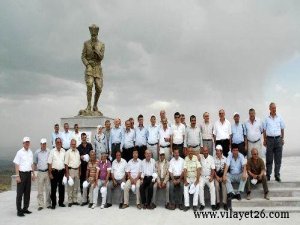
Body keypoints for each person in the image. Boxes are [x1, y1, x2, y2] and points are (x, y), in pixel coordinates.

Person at [81, 24, 105, 112]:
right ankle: (88, 105)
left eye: (95, 35)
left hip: (98, 68)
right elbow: (83, 56)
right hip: (90, 67)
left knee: (99, 87)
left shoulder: (101, 44)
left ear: (97, 35)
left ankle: (95, 105)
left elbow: (101, 57)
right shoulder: (86, 43)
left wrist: (96, 50)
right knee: (89, 85)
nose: (93, 37)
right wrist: (87, 64)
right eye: (92, 35)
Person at [13, 137, 36, 217]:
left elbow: (32, 164)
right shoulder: (19, 152)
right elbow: (16, 164)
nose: (27, 143)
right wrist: (17, 176)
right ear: (23, 143)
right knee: (19, 193)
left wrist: (33, 174)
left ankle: (25, 208)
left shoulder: (30, 152)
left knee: (27, 193)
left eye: (28, 142)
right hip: (21, 174)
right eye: (25, 142)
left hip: (28, 174)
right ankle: (19, 211)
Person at [263, 102, 285, 182]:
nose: (274, 109)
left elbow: (282, 128)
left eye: (275, 108)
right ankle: (268, 175)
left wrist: (282, 138)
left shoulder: (280, 117)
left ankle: (277, 175)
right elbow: (264, 130)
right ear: (269, 109)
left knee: (278, 159)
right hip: (269, 140)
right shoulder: (266, 119)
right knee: (269, 158)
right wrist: (264, 140)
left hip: (278, 139)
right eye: (272, 108)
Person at [223, 144, 247, 209]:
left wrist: (244, 173)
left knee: (245, 174)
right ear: (232, 151)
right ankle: (232, 193)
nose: (235, 152)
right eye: (234, 150)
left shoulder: (241, 156)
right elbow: (227, 166)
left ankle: (238, 193)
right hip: (232, 175)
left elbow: (244, 166)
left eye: (236, 150)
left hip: (239, 175)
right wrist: (224, 175)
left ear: (238, 150)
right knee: (226, 176)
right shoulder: (229, 156)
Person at [48, 137, 66, 209]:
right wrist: (50, 173)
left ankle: (61, 202)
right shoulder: (52, 151)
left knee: (62, 188)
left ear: (61, 143)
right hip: (54, 172)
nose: (59, 143)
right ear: (55, 143)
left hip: (62, 172)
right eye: (57, 142)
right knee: (53, 189)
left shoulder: (64, 151)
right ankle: (53, 203)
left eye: (60, 142)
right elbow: (49, 163)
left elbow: (65, 162)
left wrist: (65, 173)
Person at [33, 138, 51, 211]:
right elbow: (35, 163)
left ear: (46, 144)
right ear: (40, 144)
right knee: (40, 189)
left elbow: (50, 162)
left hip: (47, 172)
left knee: (48, 189)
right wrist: (34, 173)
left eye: (45, 144)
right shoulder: (37, 152)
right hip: (40, 172)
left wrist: (50, 172)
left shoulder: (49, 151)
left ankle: (48, 203)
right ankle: (40, 204)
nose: (43, 145)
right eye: (42, 144)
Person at [198, 146, 216, 211]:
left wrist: (211, 176)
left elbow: (213, 169)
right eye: (204, 151)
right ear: (202, 151)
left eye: (206, 151)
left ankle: (213, 204)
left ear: (208, 151)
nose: (205, 152)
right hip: (202, 177)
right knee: (200, 187)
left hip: (209, 176)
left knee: (212, 187)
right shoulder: (200, 156)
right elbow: (195, 154)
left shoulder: (211, 158)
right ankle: (202, 204)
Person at [64, 139, 81, 207]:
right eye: (72, 144)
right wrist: (67, 173)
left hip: (77, 171)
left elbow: (79, 162)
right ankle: (70, 201)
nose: (74, 145)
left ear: (76, 144)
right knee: (70, 186)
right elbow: (66, 164)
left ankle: (75, 200)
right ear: (70, 144)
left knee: (76, 187)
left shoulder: (77, 151)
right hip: (70, 171)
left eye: (75, 144)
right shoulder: (68, 152)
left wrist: (79, 171)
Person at [214, 145, 227, 210]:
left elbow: (226, 169)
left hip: (223, 176)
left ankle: (225, 203)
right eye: (216, 151)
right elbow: (213, 170)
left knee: (224, 185)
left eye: (218, 151)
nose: (217, 153)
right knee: (216, 185)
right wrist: (216, 177)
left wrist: (223, 177)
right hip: (216, 176)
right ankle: (218, 203)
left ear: (221, 152)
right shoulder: (214, 159)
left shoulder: (225, 159)